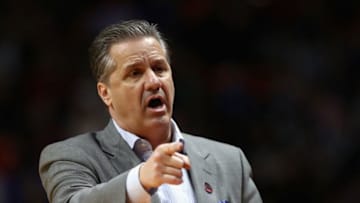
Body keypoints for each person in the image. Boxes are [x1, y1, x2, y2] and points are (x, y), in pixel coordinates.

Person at [38, 19, 263, 203]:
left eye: (159, 68)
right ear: (105, 93)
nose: (154, 81)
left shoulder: (230, 162)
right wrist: (140, 180)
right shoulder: (71, 156)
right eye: (135, 73)